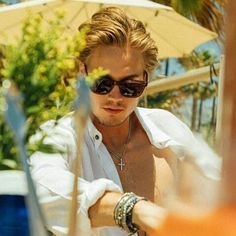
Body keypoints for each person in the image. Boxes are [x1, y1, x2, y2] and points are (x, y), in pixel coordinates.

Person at [30, 7, 220, 236]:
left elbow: (220, 186)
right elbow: (42, 187)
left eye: (130, 86)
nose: (115, 97)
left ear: (146, 80)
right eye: (102, 83)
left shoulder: (168, 128)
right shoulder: (59, 136)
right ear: (82, 73)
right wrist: (134, 211)